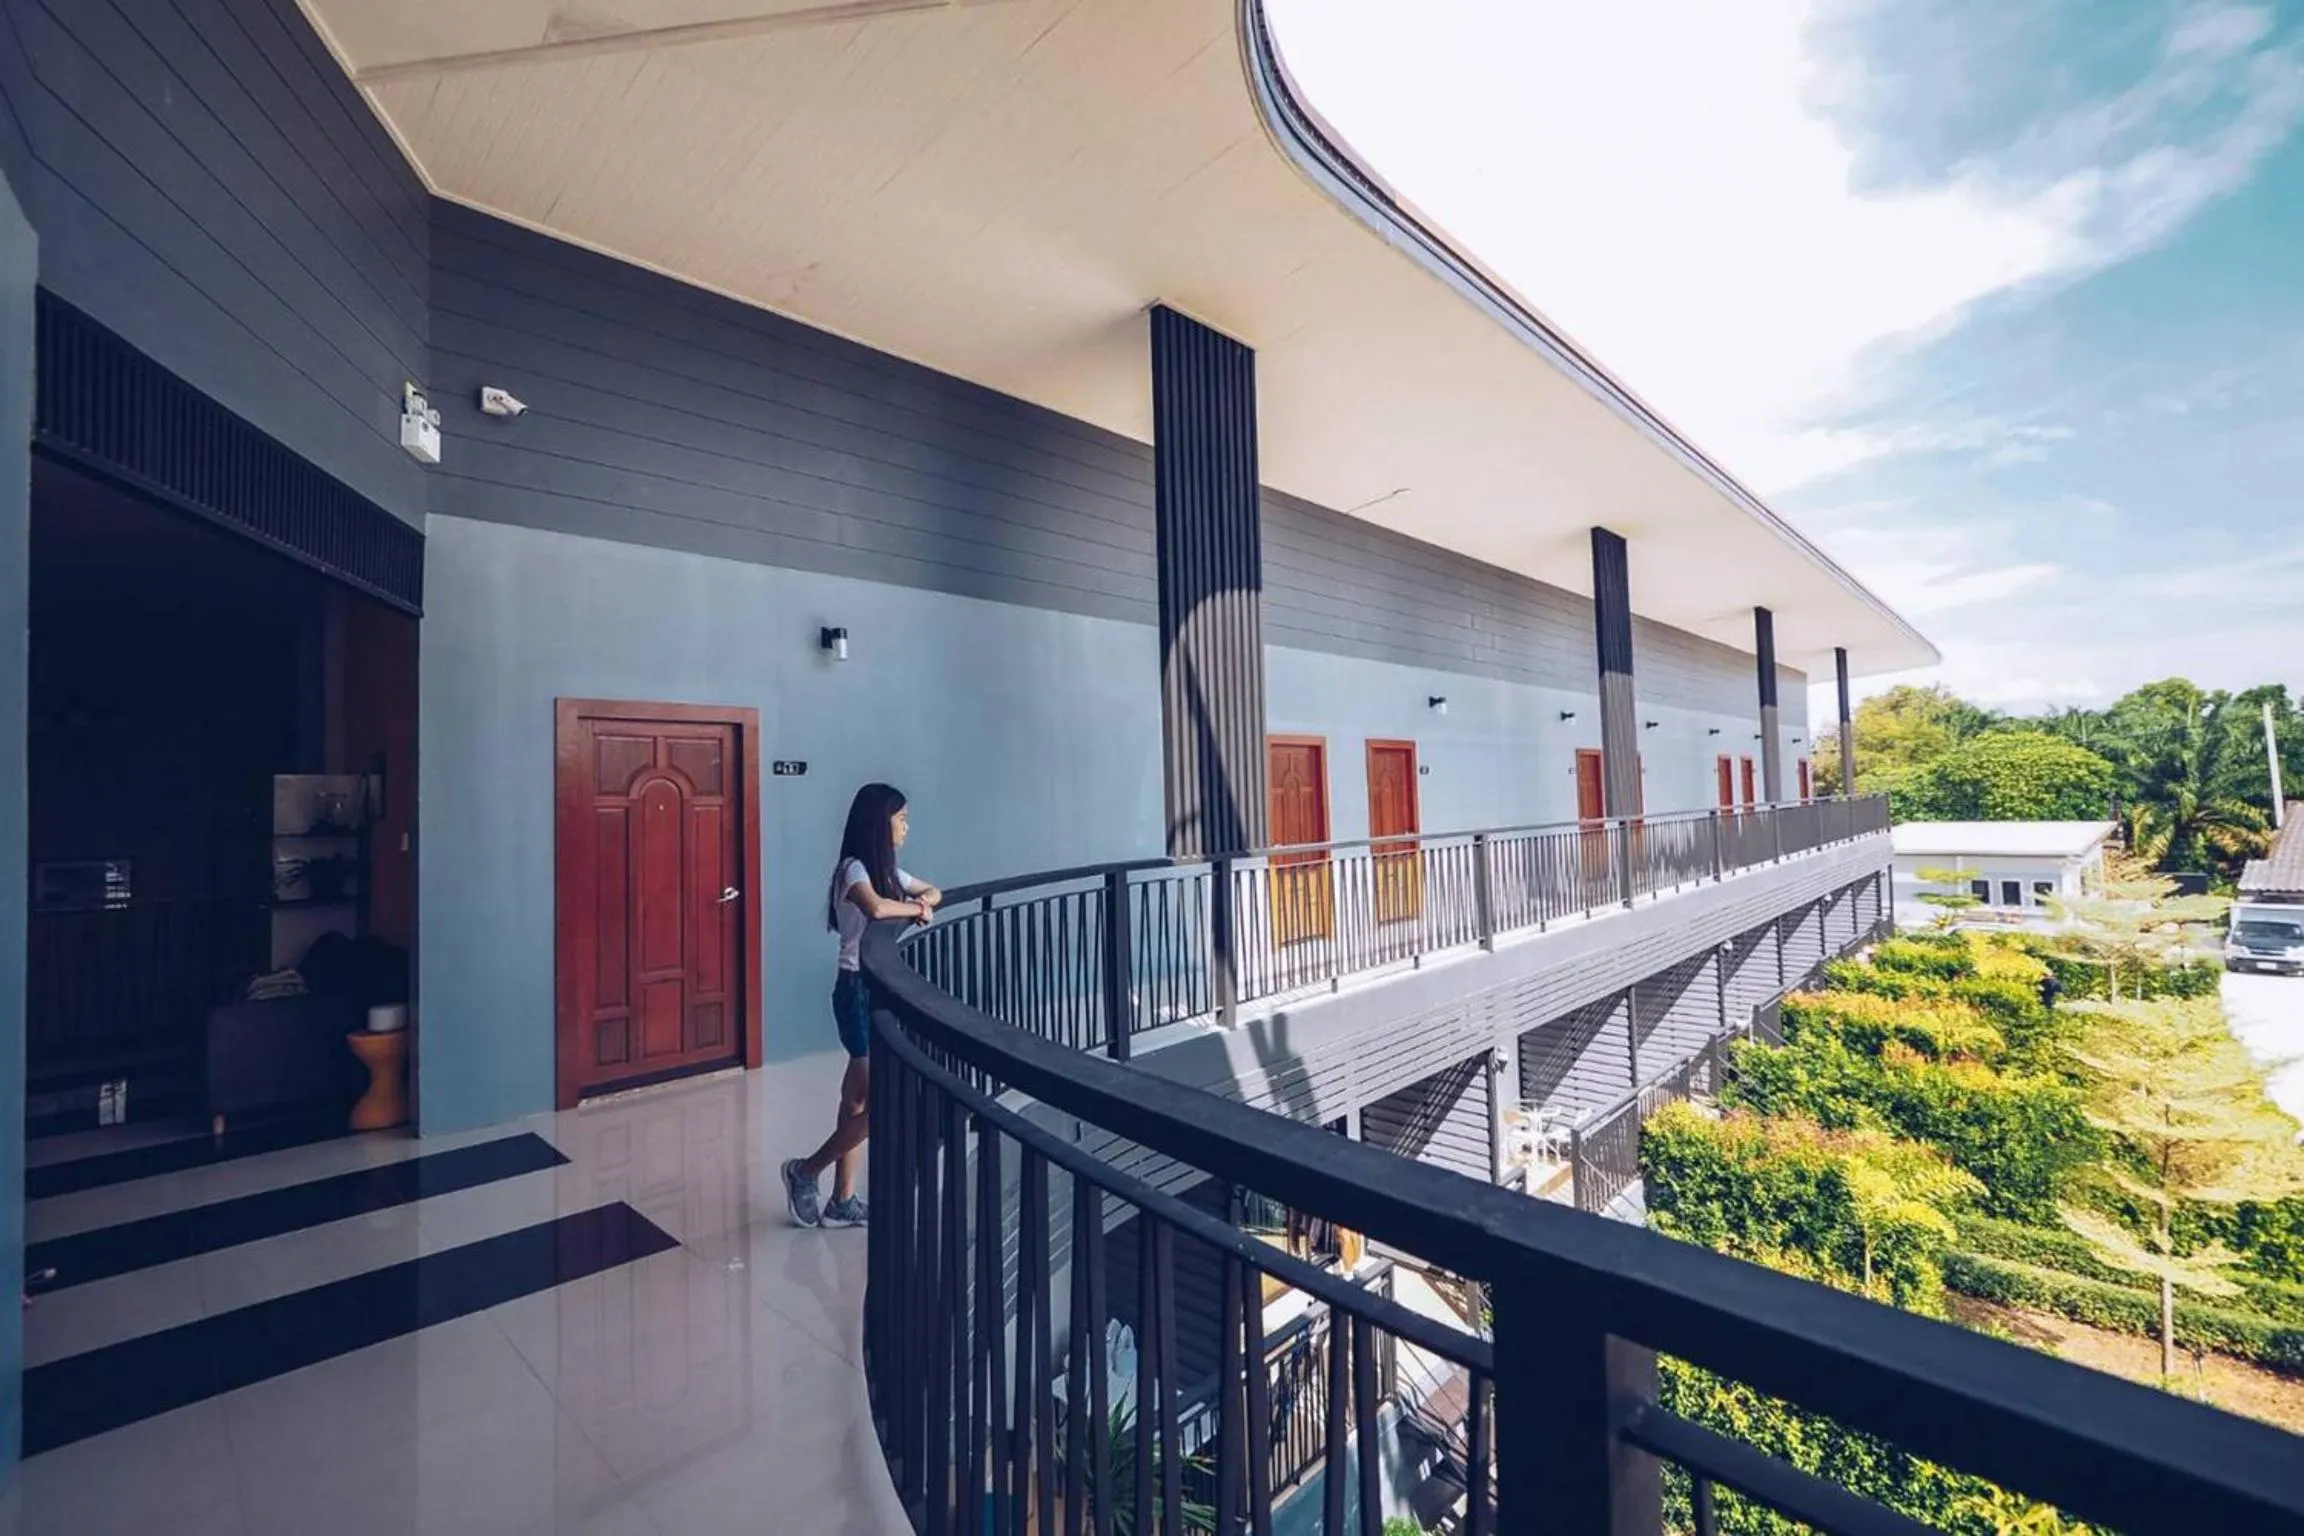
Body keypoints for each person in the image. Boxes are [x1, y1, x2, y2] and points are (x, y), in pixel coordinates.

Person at [782, 783, 939, 1228]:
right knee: (882, 1102)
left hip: (875, 990)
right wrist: (913, 909)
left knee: (855, 1100)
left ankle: (842, 1199)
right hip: (856, 991)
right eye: (901, 818)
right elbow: (875, 908)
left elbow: (935, 891)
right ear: (878, 822)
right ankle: (805, 1171)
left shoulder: (887, 870)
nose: (906, 826)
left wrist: (919, 902)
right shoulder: (853, 871)